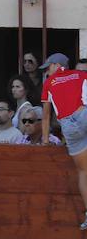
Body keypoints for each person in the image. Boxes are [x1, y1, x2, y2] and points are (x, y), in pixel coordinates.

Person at [38, 57, 87, 229]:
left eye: (48, 67)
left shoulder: (50, 82)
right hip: (84, 113)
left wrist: (45, 140)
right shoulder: (80, 75)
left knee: (83, 171)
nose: (46, 72)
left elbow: (46, 115)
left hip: (68, 125)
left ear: (58, 66)